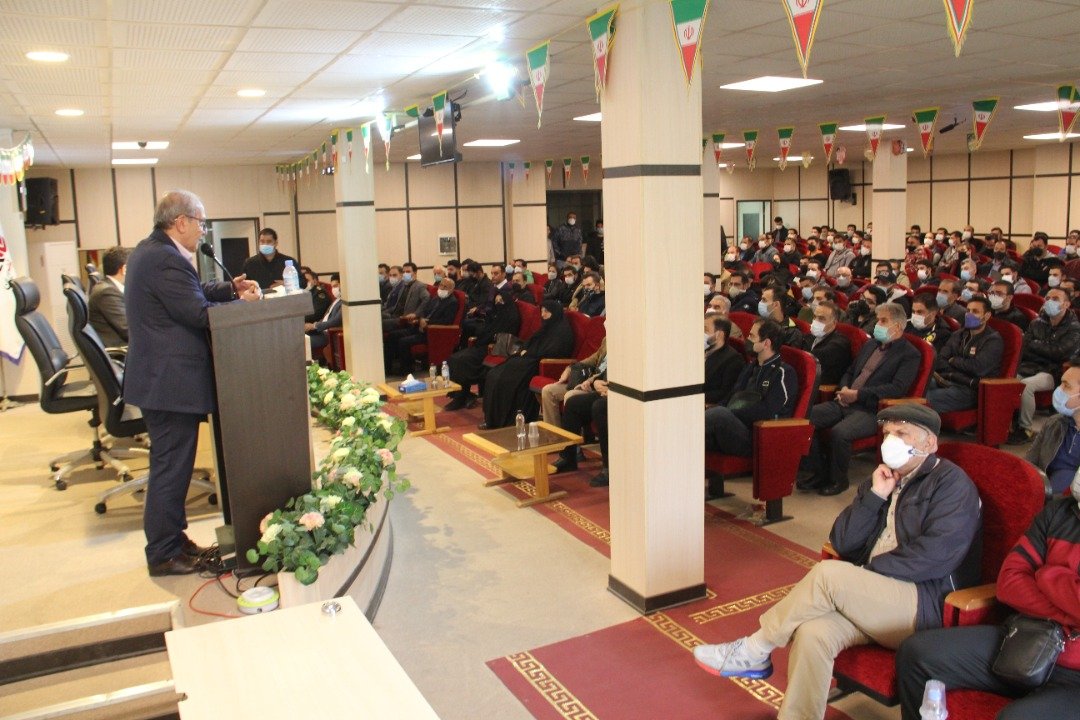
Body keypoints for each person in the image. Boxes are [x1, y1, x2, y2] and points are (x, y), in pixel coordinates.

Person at [696, 404, 982, 720]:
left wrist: (863, 575)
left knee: (829, 574)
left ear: (929, 443)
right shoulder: (882, 479)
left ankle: (755, 649)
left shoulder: (951, 484)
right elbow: (843, 541)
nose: (891, 441)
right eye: (888, 433)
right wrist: (875, 496)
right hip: (872, 599)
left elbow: (934, 557)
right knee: (812, 633)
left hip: (922, 603)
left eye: (902, 433)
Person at [125, 190, 261, 576]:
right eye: (201, 222)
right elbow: (199, 313)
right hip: (167, 383)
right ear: (181, 221)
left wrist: (230, 289)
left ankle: (172, 539)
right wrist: (242, 307)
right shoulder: (164, 259)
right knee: (171, 467)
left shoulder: (155, 252)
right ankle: (163, 553)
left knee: (173, 465)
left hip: (163, 381)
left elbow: (192, 294)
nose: (203, 230)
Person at [896, 486, 1080, 720]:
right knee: (916, 655)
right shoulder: (1058, 512)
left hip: (1074, 677)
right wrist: (1069, 612)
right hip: (1025, 638)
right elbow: (1009, 582)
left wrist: (1047, 575)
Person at [799, 303, 920, 496]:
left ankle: (838, 480)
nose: (877, 325)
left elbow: (897, 388)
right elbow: (850, 370)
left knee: (840, 432)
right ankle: (818, 471)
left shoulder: (909, 354)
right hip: (845, 399)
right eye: (878, 320)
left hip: (871, 409)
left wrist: (858, 394)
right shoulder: (871, 345)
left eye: (883, 321)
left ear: (897, 326)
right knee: (805, 419)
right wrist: (844, 388)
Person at [704, 319, 798, 457]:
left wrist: (730, 412)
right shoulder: (752, 366)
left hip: (757, 435)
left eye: (752, 336)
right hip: (735, 425)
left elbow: (767, 410)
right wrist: (717, 407)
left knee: (719, 415)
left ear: (766, 343)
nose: (747, 339)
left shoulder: (783, 373)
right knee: (700, 435)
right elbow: (733, 394)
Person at [481, 300, 575, 428]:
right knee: (494, 374)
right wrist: (525, 350)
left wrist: (529, 353)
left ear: (555, 313)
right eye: (542, 311)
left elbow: (554, 352)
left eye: (547, 311)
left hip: (538, 364)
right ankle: (492, 419)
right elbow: (531, 342)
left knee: (506, 380)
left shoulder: (562, 332)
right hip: (529, 359)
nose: (543, 314)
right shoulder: (546, 327)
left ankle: (507, 421)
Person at [1009, 287, 1080, 444]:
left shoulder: (1074, 327)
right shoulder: (1036, 323)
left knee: (1026, 385)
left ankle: (1025, 428)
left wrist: (1036, 345)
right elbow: (1025, 346)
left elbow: (1060, 353)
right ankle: (1007, 423)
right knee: (1008, 381)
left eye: (1055, 299)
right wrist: (1044, 347)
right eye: (1047, 298)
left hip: (1053, 371)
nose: (1049, 302)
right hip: (1029, 365)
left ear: (1066, 304)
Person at [445, 286, 521, 410]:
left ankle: (461, 397)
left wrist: (486, 335)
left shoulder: (511, 318)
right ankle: (464, 394)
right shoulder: (496, 315)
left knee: (461, 361)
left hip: (495, 349)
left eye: (501, 301)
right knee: (453, 358)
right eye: (496, 301)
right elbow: (485, 332)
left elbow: (503, 338)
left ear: (507, 302)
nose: (498, 304)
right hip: (483, 346)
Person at [926, 296, 1003, 413]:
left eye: (975, 311)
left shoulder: (993, 340)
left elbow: (977, 368)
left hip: (969, 389)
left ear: (986, 316)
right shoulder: (958, 334)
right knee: (916, 388)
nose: (969, 315)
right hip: (945, 379)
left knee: (925, 399)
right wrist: (957, 369)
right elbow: (941, 359)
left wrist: (953, 360)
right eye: (968, 310)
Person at [383, 277, 459, 376]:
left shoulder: (452, 302)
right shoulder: (436, 298)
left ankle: (406, 370)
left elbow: (446, 321)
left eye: (445, 287)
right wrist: (419, 319)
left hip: (432, 333)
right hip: (419, 327)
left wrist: (427, 322)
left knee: (403, 342)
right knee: (392, 335)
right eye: (441, 285)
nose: (442, 288)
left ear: (451, 290)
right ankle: (387, 368)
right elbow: (425, 311)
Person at [1025, 363, 1080, 494]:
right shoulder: (1054, 422)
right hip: (1044, 482)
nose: (1059, 390)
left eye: (1066, 386)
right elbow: (1030, 460)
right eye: (1061, 383)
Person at [541, 337, 606, 426]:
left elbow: (606, 373)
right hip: (584, 382)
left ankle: (572, 433)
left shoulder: (622, 347)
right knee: (548, 390)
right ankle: (553, 434)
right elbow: (589, 361)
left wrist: (591, 381)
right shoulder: (606, 340)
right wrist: (569, 369)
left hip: (596, 386)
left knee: (570, 396)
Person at [88, 246, 130, 347]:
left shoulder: (109, 287)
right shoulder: (107, 292)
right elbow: (128, 330)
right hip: (121, 348)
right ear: (124, 269)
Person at [808, 300, 852, 387]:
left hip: (822, 387)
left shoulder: (840, 343)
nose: (815, 321)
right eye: (815, 317)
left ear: (834, 323)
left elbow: (815, 357)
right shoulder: (810, 336)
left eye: (821, 319)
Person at [704, 316, 745, 406]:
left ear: (719, 334)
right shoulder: (699, 352)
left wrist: (695, 396)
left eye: (705, 330)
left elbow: (725, 393)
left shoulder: (733, 360)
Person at [305, 274, 341, 354]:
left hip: (329, 335)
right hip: (320, 331)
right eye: (332, 287)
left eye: (336, 286)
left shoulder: (344, 302)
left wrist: (314, 326)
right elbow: (326, 317)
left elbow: (335, 321)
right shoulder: (337, 300)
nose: (334, 289)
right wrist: (313, 325)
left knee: (301, 343)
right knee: (296, 337)